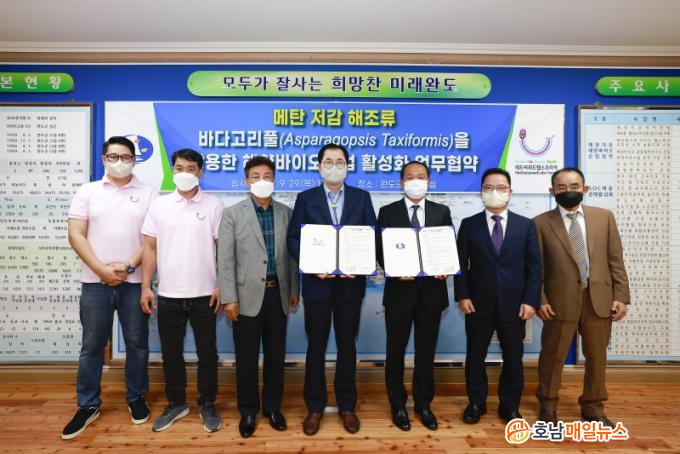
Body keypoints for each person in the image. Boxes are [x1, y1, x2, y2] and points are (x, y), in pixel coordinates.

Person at [62, 136, 158, 440]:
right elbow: (76, 235)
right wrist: (101, 270)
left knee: (137, 344)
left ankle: (136, 397)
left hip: (134, 283)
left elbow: (152, 240)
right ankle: (88, 405)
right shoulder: (87, 191)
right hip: (95, 283)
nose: (120, 162)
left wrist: (128, 267)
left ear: (134, 160)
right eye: (113, 156)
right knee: (91, 347)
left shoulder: (149, 193)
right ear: (104, 159)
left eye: (126, 157)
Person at [287, 143, 377, 436]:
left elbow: (372, 237)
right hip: (318, 285)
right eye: (328, 161)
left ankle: (347, 406)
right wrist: (312, 265)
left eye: (340, 161)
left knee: (347, 346)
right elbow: (294, 239)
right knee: (316, 346)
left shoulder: (362, 198)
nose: (334, 166)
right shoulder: (306, 198)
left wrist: (361, 264)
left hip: (350, 286)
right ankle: (314, 407)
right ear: (319, 166)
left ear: (348, 166)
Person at [534, 167, 630, 427]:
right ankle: (548, 405)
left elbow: (615, 260)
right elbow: (536, 268)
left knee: (597, 356)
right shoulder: (540, 223)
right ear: (552, 191)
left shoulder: (604, 218)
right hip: (558, 302)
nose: (569, 191)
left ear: (585, 189)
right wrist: (541, 299)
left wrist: (621, 295)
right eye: (562, 187)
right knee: (553, 355)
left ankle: (593, 406)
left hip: (599, 298)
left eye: (574, 186)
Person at [139, 149, 224, 433]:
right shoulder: (159, 205)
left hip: (205, 294)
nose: (184, 173)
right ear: (173, 171)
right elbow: (150, 249)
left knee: (207, 354)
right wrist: (145, 287)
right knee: (171, 354)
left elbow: (223, 249)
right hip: (168, 294)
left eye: (190, 168)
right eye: (179, 168)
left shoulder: (214, 205)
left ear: (200, 172)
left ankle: (207, 403)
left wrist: (221, 285)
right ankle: (176, 403)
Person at [218, 156, 300, 438]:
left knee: (276, 356)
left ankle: (273, 408)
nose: (262, 180)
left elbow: (292, 256)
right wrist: (229, 297)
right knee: (247, 357)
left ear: (274, 180)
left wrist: (294, 289)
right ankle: (249, 411)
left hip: (278, 294)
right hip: (244, 296)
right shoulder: (232, 214)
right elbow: (225, 260)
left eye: (267, 176)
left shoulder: (286, 213)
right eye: (256, 176)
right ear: (247, 181)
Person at [454, 168, 541, 425]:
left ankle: (509, 406)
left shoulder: (526, 225)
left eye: (501, 187)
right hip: (477, 303)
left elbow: (534, 267)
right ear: (481, 192)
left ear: (510, 192)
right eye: (488, 187)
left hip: (515, 305)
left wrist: (530, 300)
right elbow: (461, 264)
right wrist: (462, 295)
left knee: (513, 357)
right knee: (475, 356)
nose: (495, 192)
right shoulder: (469, 224)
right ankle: (476, 403)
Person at [377, 161, 452, 431]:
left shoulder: (442, 211)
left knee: (425, 352)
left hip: (432, 294)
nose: (416, 181)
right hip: (399, 294)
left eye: (421, 176)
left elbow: (447, 247)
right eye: (410, 177)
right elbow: (379, 249)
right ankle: (397, 404)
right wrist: (395, 269)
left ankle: (423, 404)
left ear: (429, 181)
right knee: (395, 351)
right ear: (401, 183)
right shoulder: (387, 212)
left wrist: (444, 268)